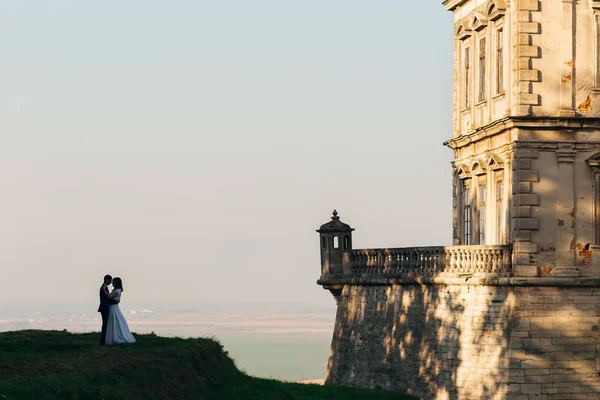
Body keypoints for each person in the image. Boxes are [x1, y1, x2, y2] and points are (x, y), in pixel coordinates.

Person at [104, 277, 136, 345]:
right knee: (116, 320)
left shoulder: (117, 291)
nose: (112, 283)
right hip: (114, 306)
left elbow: (109, 297)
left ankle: (117, 337)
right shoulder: (118, 290)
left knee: (114, 320)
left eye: (114, 282)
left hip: (113, 307)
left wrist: (104, 290)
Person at [98, 274, 120, 345]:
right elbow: (107, 299)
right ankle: (103, 341)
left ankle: (104, 340)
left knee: (106, 324)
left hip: (105, 308)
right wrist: (115, 301)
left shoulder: (104, 287)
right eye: (110, 280)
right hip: (105, 308)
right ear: (106, 280)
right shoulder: (103, 288)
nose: (111, 283)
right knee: (105, 325)